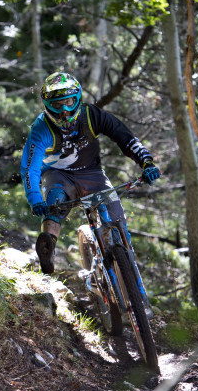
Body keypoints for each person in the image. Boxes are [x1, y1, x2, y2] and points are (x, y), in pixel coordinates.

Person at [20, 72, 160, 274]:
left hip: (92, 173)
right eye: (57, 105)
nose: (65, 111)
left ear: (78, 99)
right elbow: (30, 168)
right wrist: (35, 200)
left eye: (69, 102)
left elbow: (125, 137)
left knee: (117, 220)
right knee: (55, 201)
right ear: (46, 105)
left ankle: (126, 260)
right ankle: (48, 246)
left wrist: (146, 162)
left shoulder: (92, 115)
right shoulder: (41, 129)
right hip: (57, 175)